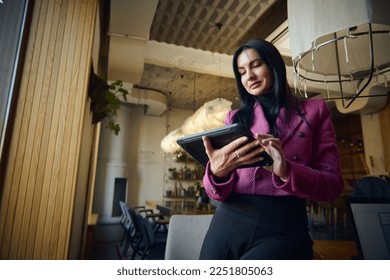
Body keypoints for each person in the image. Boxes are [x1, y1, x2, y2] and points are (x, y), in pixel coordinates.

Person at [199, 39, 344, 260]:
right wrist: (216, 173)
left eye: (256, 65)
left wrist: (287, 171)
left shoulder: (315, 111)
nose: (249, 76)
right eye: (242, 72)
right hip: (229, 219)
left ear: (274, 64)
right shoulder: (235, 118)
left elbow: (332, 186)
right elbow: (214, 192)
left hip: (284, 226)